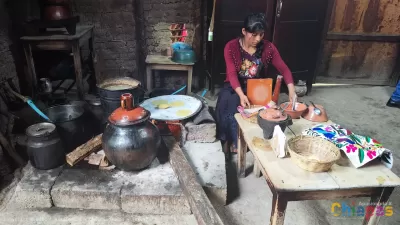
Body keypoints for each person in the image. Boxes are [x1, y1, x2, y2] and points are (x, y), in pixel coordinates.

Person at [215, 13, 296, 153]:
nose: (258, 39)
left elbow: (284, 69)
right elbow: (232, 74)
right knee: (229, 102)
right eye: (253, 34)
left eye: (261, 34)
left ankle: (248, 141)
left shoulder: (268, 48)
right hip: (235, 86)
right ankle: (231, 139)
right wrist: (241, 94)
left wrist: (292, 91)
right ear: (244, 31)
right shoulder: (231, 47)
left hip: (257, 86)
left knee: (265, 111)